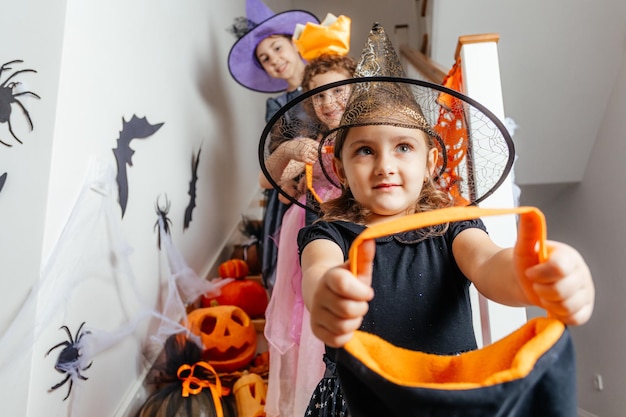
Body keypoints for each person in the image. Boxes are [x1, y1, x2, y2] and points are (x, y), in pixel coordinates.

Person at [290, 23, 595, 416]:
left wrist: (534, 273)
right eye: (365, 150)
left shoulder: (452, 226)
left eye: (403, 147)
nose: (385, 166)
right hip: (355, 399)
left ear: (431, 162)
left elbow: (489, 264)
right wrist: (328, 293)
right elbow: (319, 272)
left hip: (447, 396)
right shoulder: (328, 234)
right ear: (342, 167)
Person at [261, 52, 356, 417]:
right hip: (303, 231)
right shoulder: (313, 142)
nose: (328, 102)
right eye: (317, 95)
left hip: (344, 234)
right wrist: (287, 149)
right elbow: (271, 183)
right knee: (308, 321)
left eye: (336, 91)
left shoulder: (368, 133)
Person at [227, 0, 319, 291]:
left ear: (294, 45)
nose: (274, 60)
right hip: (292, 189)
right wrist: (293, 169)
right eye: (265, 58)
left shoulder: (326, 84)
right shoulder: (276, 105)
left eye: (277, 48)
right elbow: (277, 151)